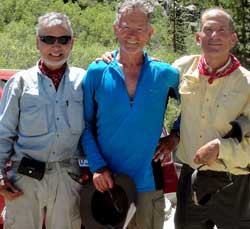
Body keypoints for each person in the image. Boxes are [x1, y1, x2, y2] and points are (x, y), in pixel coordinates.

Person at [81, 0, 179, 228]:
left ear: (150, 32)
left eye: (139, 28)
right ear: (116, 28)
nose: (132, 35)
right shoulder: (97, 72)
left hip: (148, 185)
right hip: (107, 183)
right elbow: (84, 124)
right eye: (126, 27)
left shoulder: (166, 74)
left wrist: (176, 135)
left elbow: (195, 104)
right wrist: (98, 167)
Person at [160, 7, 250, 229]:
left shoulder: (247, 84)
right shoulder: (181, 68)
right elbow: (148, 74)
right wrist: (113, 58)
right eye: (208, 29)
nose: (214, 36)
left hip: (234, 180)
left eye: (221, 30)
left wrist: (221, 148)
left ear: (233, 39)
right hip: (191, 176)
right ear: (198, 37)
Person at [0, 12, 85, 229]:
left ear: (72, 42)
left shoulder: (84, 81)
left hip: (68, 178)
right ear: (37, 42)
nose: (56, 47)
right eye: (48, 39)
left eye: (63, 39)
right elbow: (3, 133)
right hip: (24, 179)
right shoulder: (20, 83)